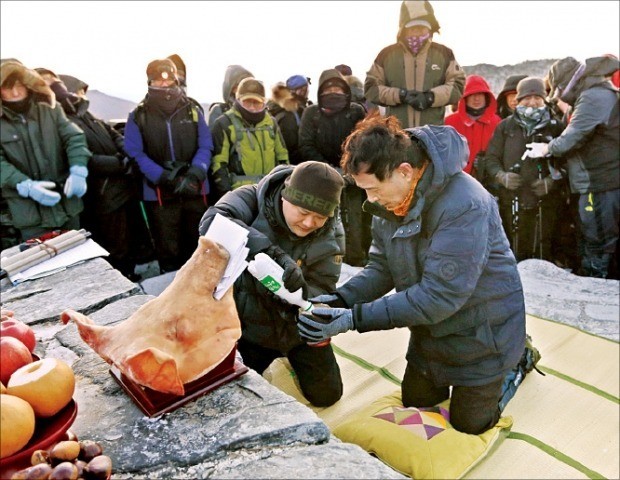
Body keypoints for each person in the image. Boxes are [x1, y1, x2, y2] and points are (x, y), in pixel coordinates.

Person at [297, 114, 526, 435]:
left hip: (484, 334)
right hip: (431, 334)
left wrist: (353, 318)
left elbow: (439, 297)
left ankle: (515, 365)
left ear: (404, 171)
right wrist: (339, 299)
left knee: (469, 423)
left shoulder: (464, 204)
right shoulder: (390, 203)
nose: (369, 199)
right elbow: (380, 269)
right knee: (416, 405)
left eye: (373, 189)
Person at [198, 161, 346, 407]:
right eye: (302, 212)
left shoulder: (332, 230)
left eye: (319, 217)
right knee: (237, 398)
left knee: (328, 395)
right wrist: (271, 253)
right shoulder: (252, 197)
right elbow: (212, 222)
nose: (309, 223)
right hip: (248, 324)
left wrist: (301, 293)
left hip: (294, 327)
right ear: (285, 198)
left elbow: (324, 284)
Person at [523, 56, 619, 279]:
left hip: (600, 182)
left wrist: (547, 148)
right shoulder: (597, 94)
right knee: (591, 237)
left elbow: (572, 137)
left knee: (599, 241)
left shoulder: (594, 96)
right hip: (596, 182)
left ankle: (598, 288)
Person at [124, 58, 213, 274]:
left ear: (176, 80)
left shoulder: (192, 109)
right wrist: (163, 177)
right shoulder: (139, 115)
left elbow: (206, 144)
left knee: (199, 246)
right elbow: (135, 152)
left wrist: (196, 172)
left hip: (194, 189)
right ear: (149, 82)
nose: (164, 85)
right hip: (160, 195)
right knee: (168, 249)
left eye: (168, 80)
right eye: (157, 81)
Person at [57, 73, 144, 280]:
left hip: (122, 185)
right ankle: (120, 277)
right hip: (104, 191)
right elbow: (85, 158)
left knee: (129, 234)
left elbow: (113, 134)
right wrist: (119, 164)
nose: (82, 94)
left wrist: (127, 153)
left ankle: (130, 271)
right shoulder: (67, 122)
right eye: (78, 90)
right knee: (114, 240)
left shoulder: (88, 115)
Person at [0, 60, 91, 242]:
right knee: (41, 264)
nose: (15, 93)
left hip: (66, 205)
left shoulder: (50, 108)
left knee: (75, 256)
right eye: (8, 88)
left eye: (19, 86)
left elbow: (73, 137)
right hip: (30, 216)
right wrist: (24, 185)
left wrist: (78, 169)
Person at [485, 77, 568, 263]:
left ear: (544, 99)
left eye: (537, 97)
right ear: (519, 100)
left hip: (546, 204)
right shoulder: (505, 127)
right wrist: (501, 176)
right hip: (512, 201)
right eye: (527, 98)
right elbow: (490, 159)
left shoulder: (556, 127)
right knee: (514, 250)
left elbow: (568, 162)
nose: (532, 102)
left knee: (544, 250)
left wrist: (552, 182)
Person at [298, 68, 370, 267]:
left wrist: (350, 169)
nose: (334, 94)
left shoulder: (355, 112)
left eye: (339, 90)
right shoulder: (311, 113)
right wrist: (328, 171)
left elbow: (364, 141)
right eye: (329, 90)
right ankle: (325, 262)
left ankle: (357, 259)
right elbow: (306, 145)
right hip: (322, 180)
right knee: (324, 221)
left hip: (354, 176)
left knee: (357, 220)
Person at [364, 0, 465, 128]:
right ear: (404, 30)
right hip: (397, 136)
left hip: (433, 136)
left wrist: (430, 97)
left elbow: (457, 85)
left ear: (429, 29)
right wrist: (400, 95)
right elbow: (371, 88)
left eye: (422, 28)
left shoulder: (444, 54)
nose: (417, 33)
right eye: (412, 28)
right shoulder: (387, 55)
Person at [209, 77, 289, 202]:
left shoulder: (271, 123)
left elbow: (282, 157)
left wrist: (282, 189)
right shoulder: (224, 123)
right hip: (238, 196)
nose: (252, 107)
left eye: (256, 102)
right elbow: (218, 165)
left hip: (269, 193)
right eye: (247, 102)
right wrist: (227, 196)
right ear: (238, 100)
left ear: (264, 103)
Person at [445, 75, 501, 184]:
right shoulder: (449, 122)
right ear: (464, 98)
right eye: (472, 95)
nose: (477, 98)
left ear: (487, 97)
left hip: (489, 182)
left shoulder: (497, 122)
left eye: (480, 94)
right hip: (456, 182)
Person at [267, 75, 311, 165]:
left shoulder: (297, 110)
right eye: (303, 90)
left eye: (306, 90)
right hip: (294, 166)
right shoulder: (288, 116)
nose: (306, 93)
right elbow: (290, 147)